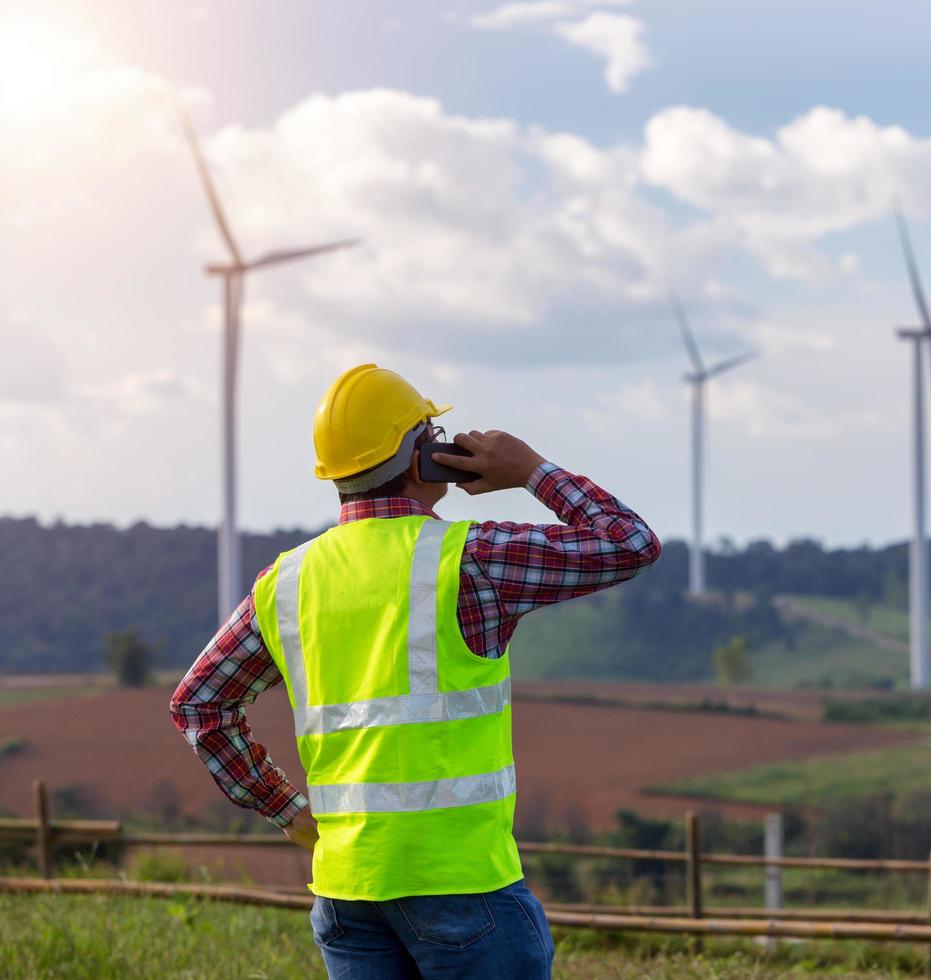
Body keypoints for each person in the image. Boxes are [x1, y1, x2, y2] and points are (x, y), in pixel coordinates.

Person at [170, 363, 662, 978]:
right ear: (421, 457)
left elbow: (198, 705)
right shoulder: (471, 559)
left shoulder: (287, 582)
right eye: (431, 433)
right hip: (464, 887)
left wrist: (286, 812)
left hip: (348, 894)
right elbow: (628, 542)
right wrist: (531, 471)